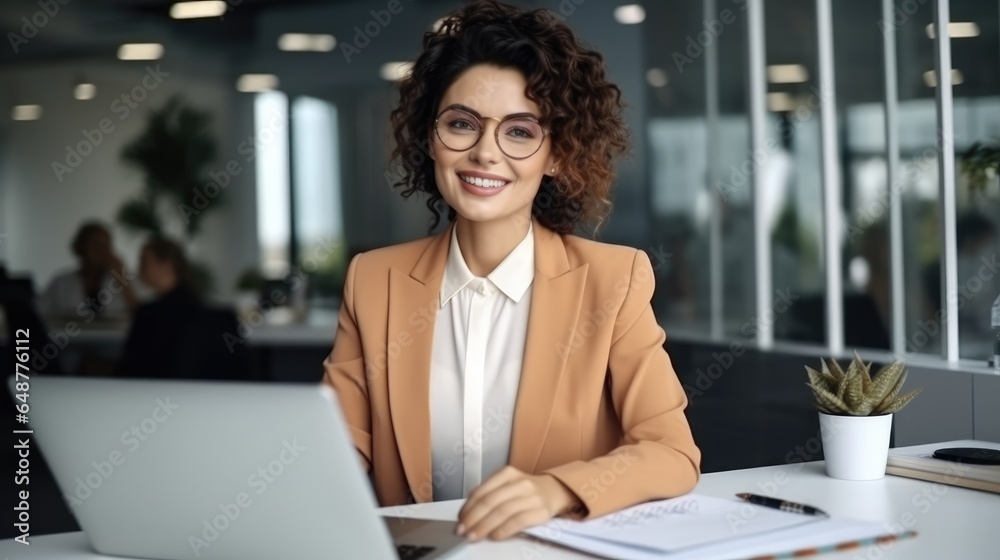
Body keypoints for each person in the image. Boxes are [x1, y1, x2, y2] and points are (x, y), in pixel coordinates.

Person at [321, 0, 700, 542]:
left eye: (519, 132)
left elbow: (671, 453)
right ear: (431, 138)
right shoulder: (372, 280)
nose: (484, 153)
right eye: (461, 124)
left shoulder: (613, 281)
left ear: (556, 154)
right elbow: (335, 450)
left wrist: (557, 491)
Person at [115, 237, 202, 379]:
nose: (139, 268)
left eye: (144, 261)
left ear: (167, 264)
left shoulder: (150, 313)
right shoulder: (195, 305)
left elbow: (130, 365)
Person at [39, 221, 138, 319]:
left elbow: (139, 312)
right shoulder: (61, 283)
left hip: (114, 334)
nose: (101, 251)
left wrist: (120, 275)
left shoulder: (121, 282)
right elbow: (41, 313)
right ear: (81, 248)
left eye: (105, 246)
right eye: (96, 244)